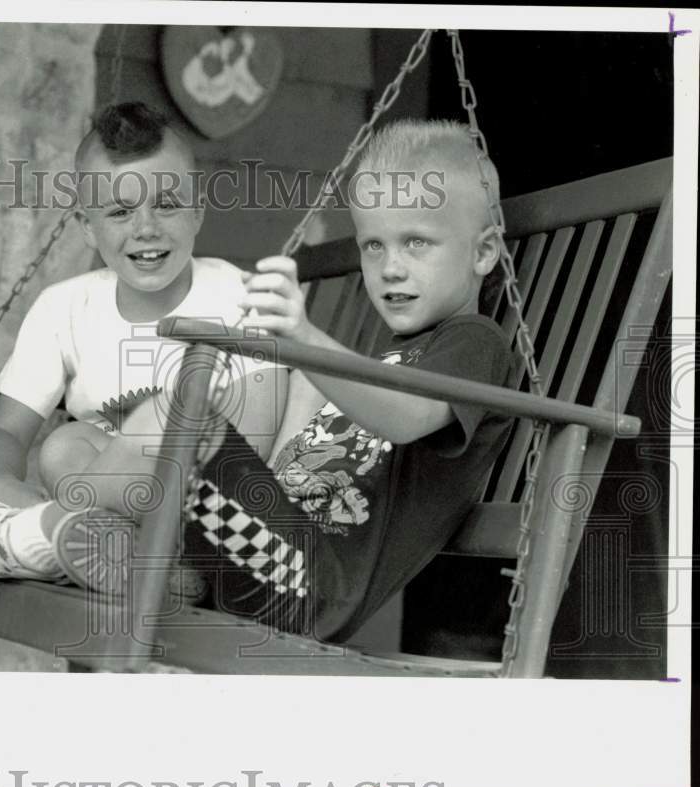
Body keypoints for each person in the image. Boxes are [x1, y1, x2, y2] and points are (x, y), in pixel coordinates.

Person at [50, 118, 518, 643]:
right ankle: (134, 560)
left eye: (416, 243)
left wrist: (305, 339)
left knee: (174, 419)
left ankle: (38, 538)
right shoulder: (390, 360)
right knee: (72, 444)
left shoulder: (475, 343)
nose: (390, 268)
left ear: (482, 252)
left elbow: (407, 420)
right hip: (259, 541)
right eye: (374, 246)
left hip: (309, 586)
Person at [0, 102, 286, 587]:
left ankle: (38, 546)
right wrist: (2, 489)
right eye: (119, 211)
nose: (146, 228)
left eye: (166, 204)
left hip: (196, 524)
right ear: (85, 226)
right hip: (88, 520)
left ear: (198, 209)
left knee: (63, 449)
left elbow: (254, 449)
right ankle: (46, 543)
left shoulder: (240, 298)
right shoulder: (64, 308)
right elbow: (6, 435)